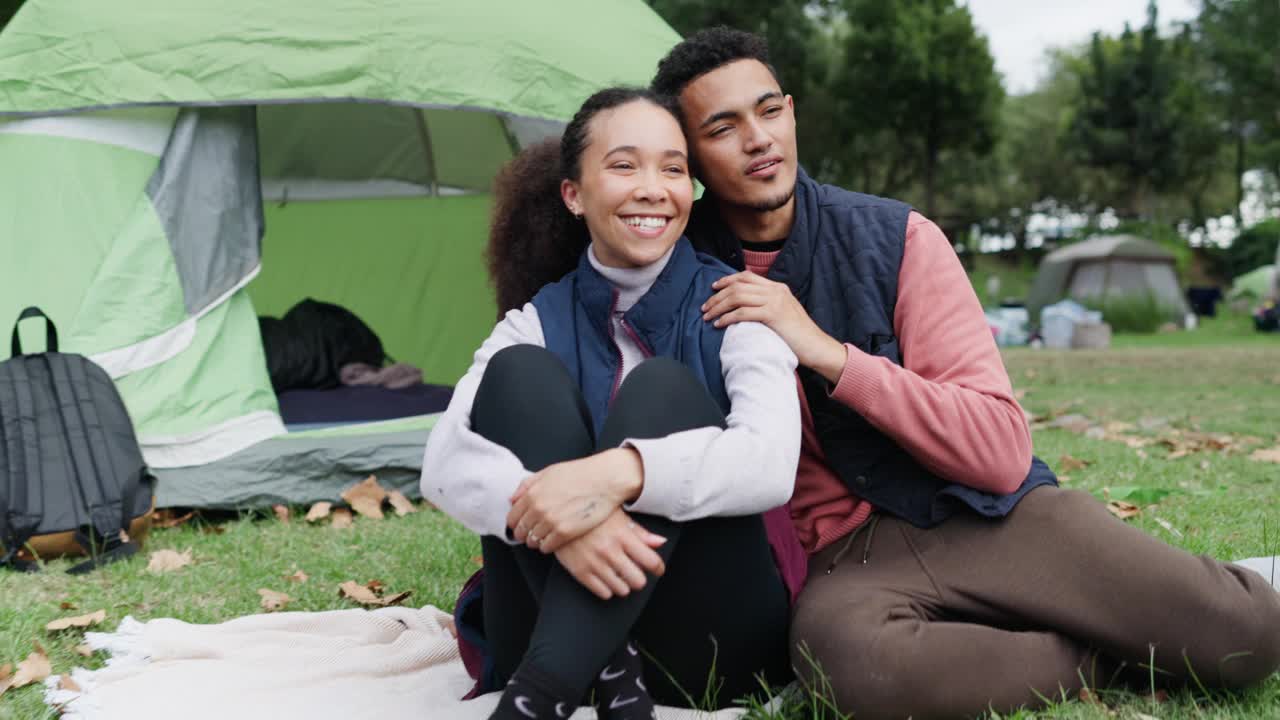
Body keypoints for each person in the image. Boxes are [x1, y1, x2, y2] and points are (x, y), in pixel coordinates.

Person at [650, 27, 1280, 720]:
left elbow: (1002, 451)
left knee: (1247, 636)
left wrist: (826, 351)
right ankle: (1099, 649)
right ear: (689, 161)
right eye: (723, 127)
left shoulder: (896, 239)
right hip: (846, 563)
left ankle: (1127, 610)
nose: (759, 139)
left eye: (769, 111)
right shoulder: (675, 274)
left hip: (980, 514)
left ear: (792, 111)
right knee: (858, 672)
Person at [420, 87, 804, 720]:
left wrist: (617, 475)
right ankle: (599, 671)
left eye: (673, 169)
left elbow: (771, 463)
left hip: (707, 638)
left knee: (663, 392)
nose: (653, 188)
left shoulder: (737, 304)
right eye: (624, 165)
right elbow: (442, 463)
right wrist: (569, 528)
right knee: (518, 379)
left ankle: (539, 696)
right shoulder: (535, 320)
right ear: (574, 194)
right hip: (551, 619)